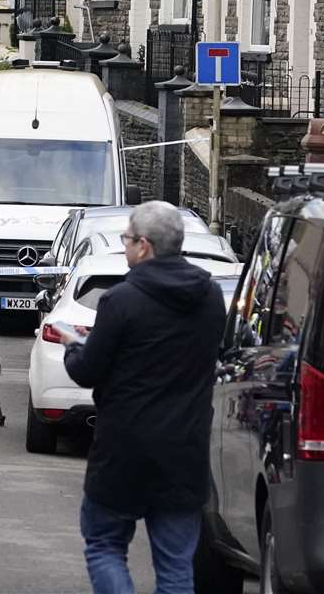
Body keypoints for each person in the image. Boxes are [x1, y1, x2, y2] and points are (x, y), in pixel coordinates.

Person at [57, 201, 225, 594]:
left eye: (127, 239)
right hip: (184, 449)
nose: (125, 246)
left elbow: (87, 370)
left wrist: (72, 346)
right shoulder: (210, 297)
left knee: (104, 545)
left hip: (124, 450)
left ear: (144, 246)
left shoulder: (121, 300)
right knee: (175, 564)